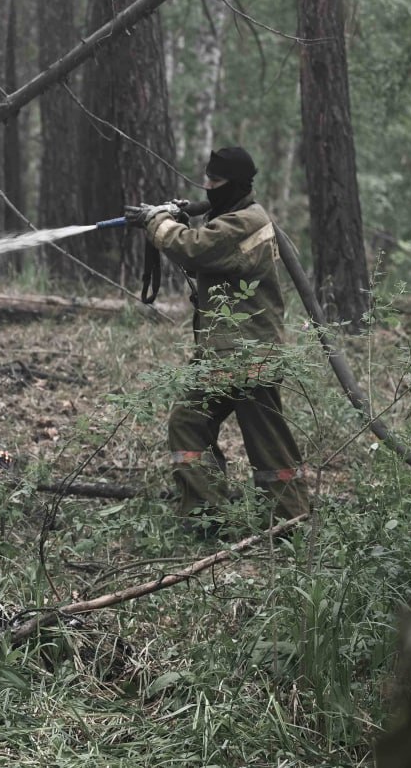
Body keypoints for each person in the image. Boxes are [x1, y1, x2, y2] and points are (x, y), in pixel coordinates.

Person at [125, 146, 309, 535]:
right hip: (230, 353)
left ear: (238, 185)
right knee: (194, 426)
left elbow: (194, 249)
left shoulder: (247, 222)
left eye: (216, 182)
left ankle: (287, 522)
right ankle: (211, 518)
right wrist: (175, 214)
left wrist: (157, 221)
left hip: (245, 354)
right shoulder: (236, 217)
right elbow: (206, 239)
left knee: (263, 441)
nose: (208, 187)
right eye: (206, 179)